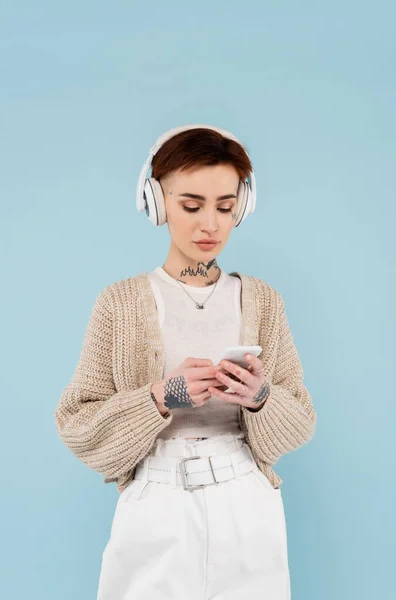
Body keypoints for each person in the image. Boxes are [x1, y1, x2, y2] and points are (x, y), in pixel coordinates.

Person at [54, 124, 317, 600]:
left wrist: (260, 399)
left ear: (243, 206)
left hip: (247, 504)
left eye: (225, 207)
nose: (210, 225)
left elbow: (301, 421)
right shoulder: (120, 303)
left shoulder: (263, 302)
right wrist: (159, 398)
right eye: (191, 206)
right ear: (156, 203)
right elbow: (77, 424)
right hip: (155, 503)